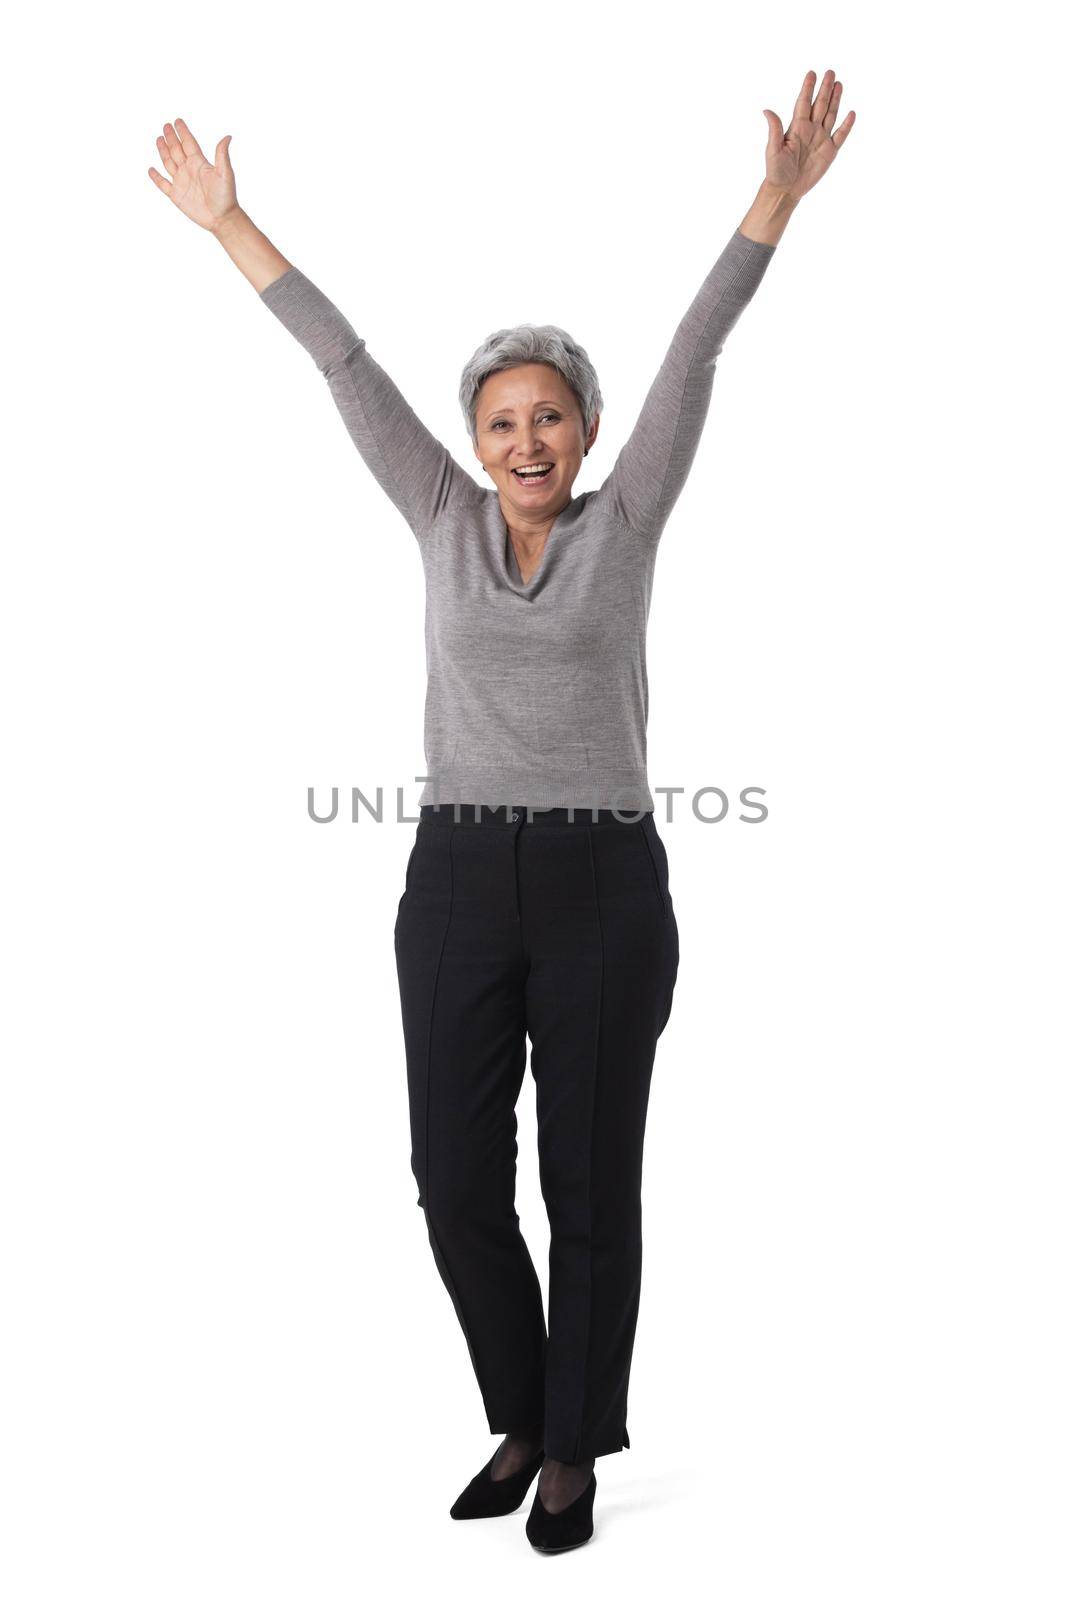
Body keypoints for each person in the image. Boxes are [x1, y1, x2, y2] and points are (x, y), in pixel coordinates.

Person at [148, 66, 854, 1554]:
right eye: (500, 423)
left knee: (588, 1180)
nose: (525, 442)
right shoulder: (440, 517)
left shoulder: (629, 520)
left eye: (550, 418)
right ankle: (526, 1410)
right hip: (457, 883)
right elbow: (344, 367)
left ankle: (573, 1455)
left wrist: (772, 205)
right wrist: (233, 226)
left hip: (607, 888)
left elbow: (695, 352)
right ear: (473, 444)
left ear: (588, 434)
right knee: (455, 1180)